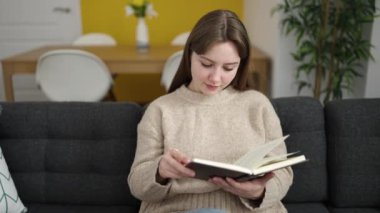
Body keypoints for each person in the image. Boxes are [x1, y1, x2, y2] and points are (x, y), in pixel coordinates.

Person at [128, 9, 293, 213]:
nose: (215, 78)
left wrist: (258, 192)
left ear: (240, 65)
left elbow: (283, 174)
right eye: (207, 64)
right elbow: (137, 185)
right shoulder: (161, 109)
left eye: (228, 68)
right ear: (190, 55)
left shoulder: (258, 105)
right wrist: (160, 170)